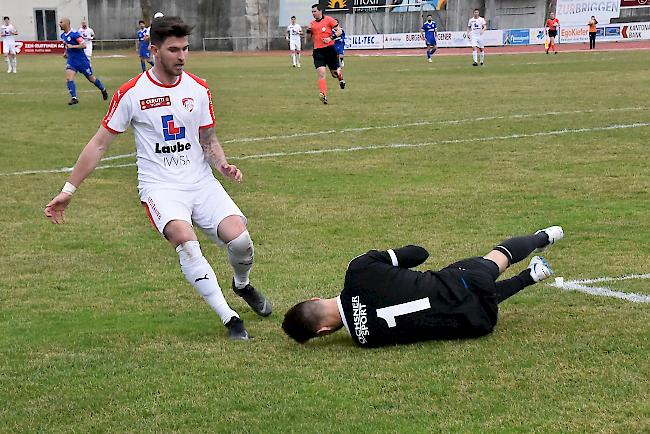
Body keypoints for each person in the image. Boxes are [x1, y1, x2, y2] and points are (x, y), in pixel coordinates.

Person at [44, 16, 272, 341]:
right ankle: (230, 318)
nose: (182, 56)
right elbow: (98, 144)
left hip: (201, 182)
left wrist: (222, 164)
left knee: (240, 240)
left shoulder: (198, 88)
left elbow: (208, 139)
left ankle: (242, 284)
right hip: (161, 188)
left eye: (186, 49)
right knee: (186, 242)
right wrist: (69, 190)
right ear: (154, 50)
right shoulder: (132, 93)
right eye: (174, 49)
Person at [283, 226, 564, 347]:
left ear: (323, 332)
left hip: (474, 322)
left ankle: (531, 276)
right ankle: (544, 236)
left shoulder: (365, 341)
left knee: (457, 299)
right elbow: (420, 253)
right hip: (465, 281)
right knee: (496, 259)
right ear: (314, 297)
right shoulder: (358, 270)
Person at [59, 17, 108, 105]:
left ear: (67, 23)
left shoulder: (75, 34)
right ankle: (74, 98)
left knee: (91, 78)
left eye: (61, 22)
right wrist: (66, 53)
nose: (59, 24)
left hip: (82, 61)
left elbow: (83, 45)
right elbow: (67, 46)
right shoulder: (62, 36)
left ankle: (103, 89)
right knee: (69, 78)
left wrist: (72, 47)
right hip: (71, 61)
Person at [307, 3, 345, 105]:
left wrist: (330, 38)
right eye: (312, 12)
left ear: (320, 11)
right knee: (321, 74)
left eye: (315, 11)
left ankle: (340, 77)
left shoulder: (328, 20)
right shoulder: (312, 24)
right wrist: (308, 33)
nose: (313, 13)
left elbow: (339, 31)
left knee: (334, 74)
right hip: (318, 52)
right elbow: (307, 41)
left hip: (329, 50)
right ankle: (323, 95)